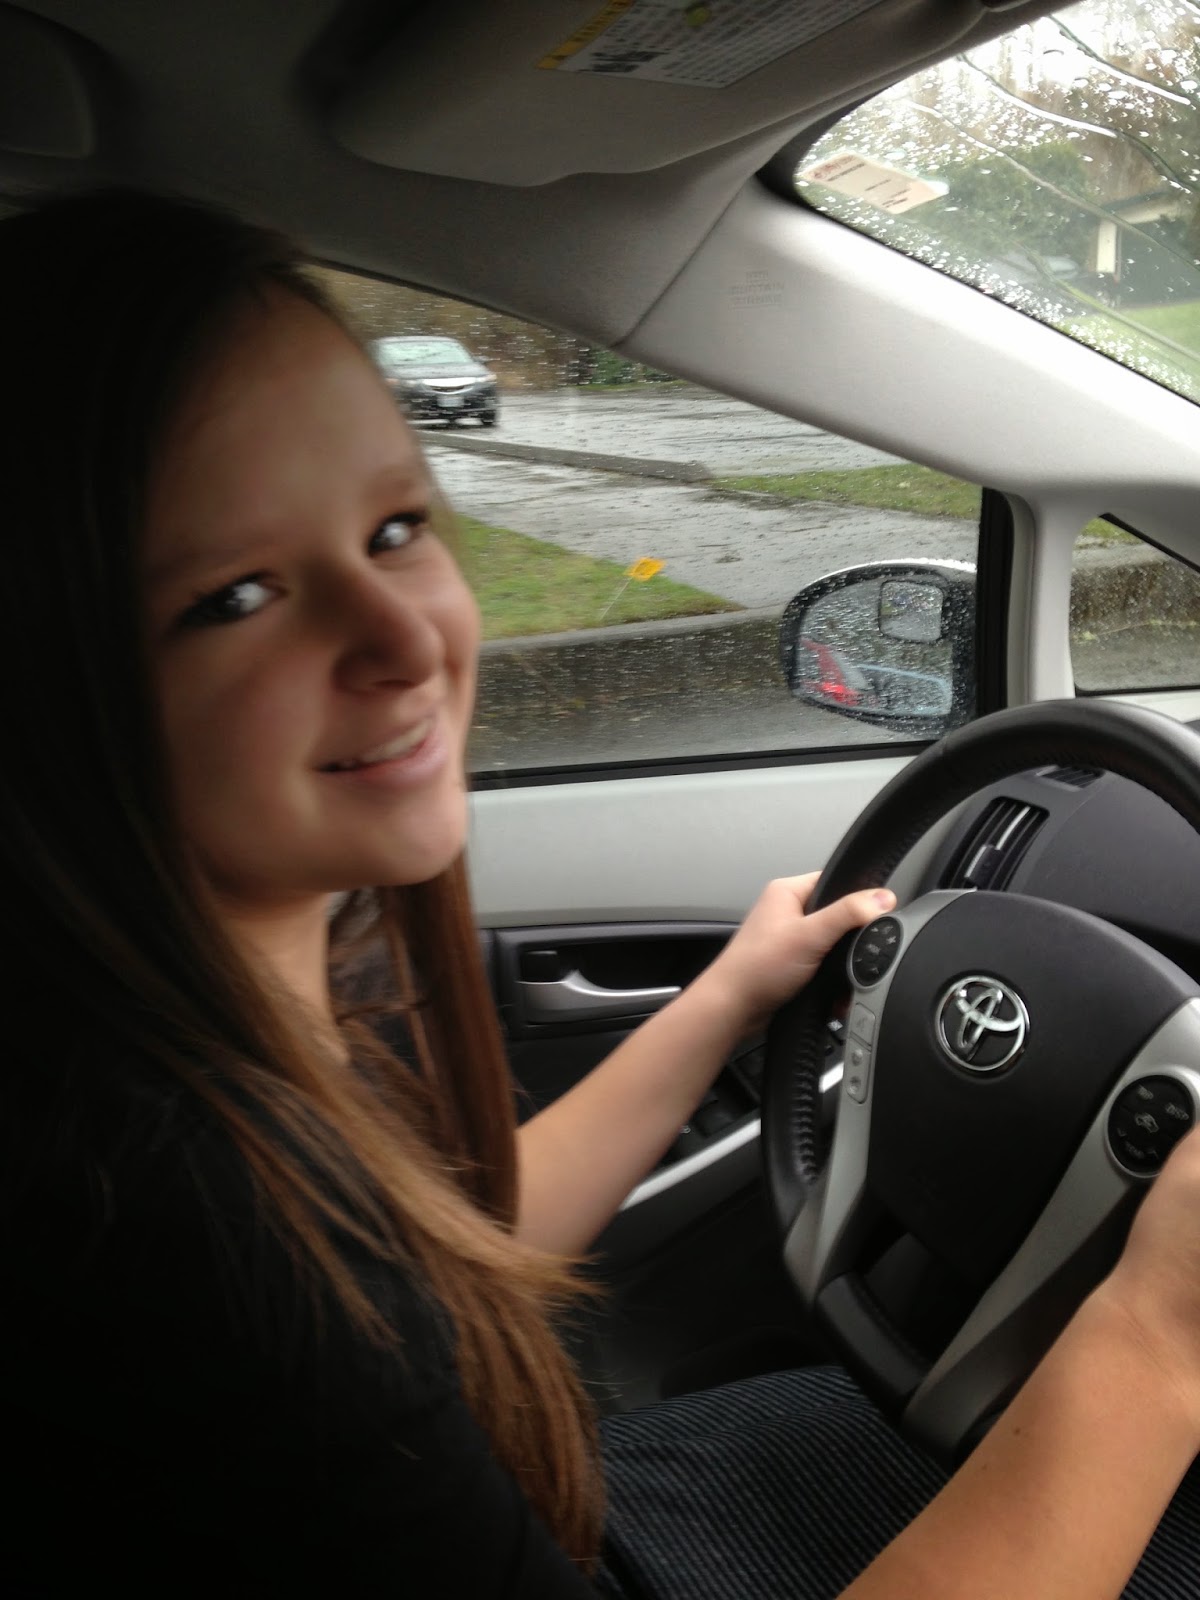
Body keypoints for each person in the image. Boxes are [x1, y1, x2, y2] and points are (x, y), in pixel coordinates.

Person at [1, 189, 1199, 1599]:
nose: (403, 637)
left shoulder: (192, 1057)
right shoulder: (173, 1226)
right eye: (236, 597)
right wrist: (1154, 1334)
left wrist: (728, 996)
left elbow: (451, 1265)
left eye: (394, 527)